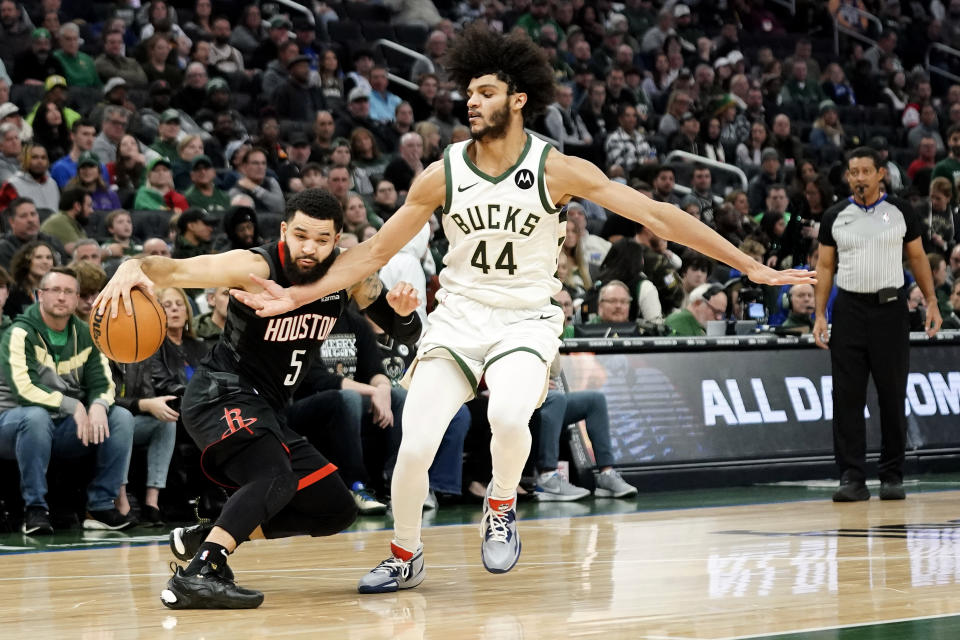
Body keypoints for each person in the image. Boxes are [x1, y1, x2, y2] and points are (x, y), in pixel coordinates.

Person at [230, 25, 813, 594]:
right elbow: (375, 252)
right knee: (414, 446)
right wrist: (299, 294)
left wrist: (752, 266)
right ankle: (405, 554)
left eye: (485, 93)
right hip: (458, 319)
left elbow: (657, 214)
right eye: (469, 93)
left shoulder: (556, 169)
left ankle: (502, 500)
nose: (472, 102)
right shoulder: (444, 173)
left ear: (518, 99)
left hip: (526, 318)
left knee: (510, 416)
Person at [95, 189, 424, 608]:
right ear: (284, 230)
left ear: (337, 239)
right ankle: (199, 574)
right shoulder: (254, 265)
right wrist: (132, 265)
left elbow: (402, 331)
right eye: (301, 235)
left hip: (267, 407)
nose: (310, 248)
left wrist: (405, 311)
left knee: (335, 508)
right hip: (221, 391)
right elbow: (173, 271)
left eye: (322, 239)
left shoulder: (349, 274)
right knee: (276, 476)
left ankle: (208, 535)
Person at [814, 147, 942, 503]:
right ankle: (852, 477)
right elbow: (825, 267)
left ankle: (891, 475)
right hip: (849, 311)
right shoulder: (835, 216)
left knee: (891, 395)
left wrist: (931, 301)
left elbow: (917, 257)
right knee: (847, 399)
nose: (858, 177)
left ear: (880, 174)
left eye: (865, 171)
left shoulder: (901, 211)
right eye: (853, 172)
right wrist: (820, 314)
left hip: (890, 310)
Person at [0, 266, 134, 535]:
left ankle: (99, 506)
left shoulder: (86, 334)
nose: (62, 297)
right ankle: (35, 509)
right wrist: (73, 405)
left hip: (63, 427)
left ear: (76, 299)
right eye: (55, 290)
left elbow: (103, 383)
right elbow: (25, 389)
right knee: (35, 416)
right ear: (40, 295)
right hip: (13, 426)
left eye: (69, 292)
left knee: (121, 417)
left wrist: (98, 405)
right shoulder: (18, 333)